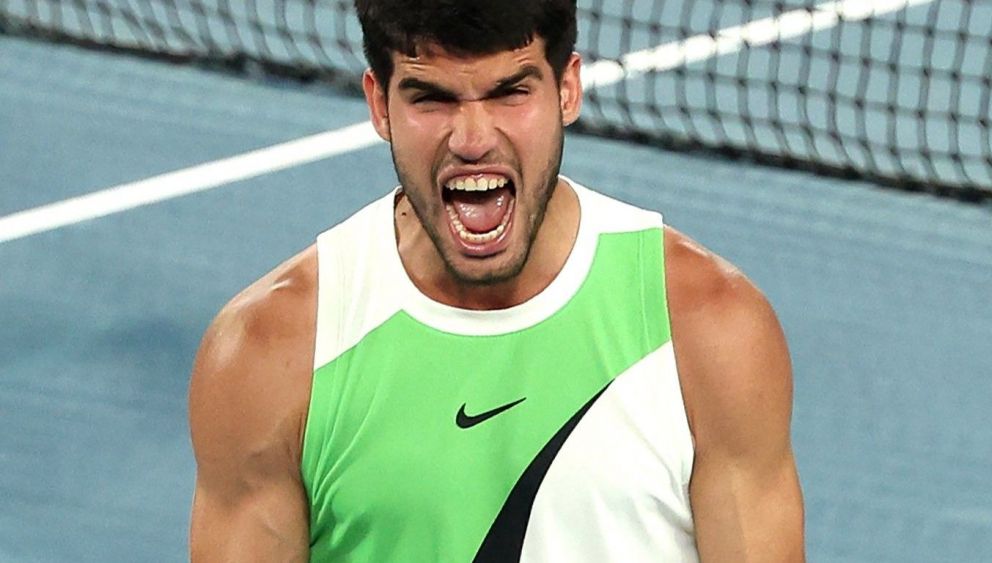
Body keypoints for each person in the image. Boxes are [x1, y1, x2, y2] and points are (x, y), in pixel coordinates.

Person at [188, 0, 805, 560]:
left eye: (510, 93)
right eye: (432, 99)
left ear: (568, 89)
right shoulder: (272, 351)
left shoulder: (707, 327)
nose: (473, 140)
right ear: (379, 105)